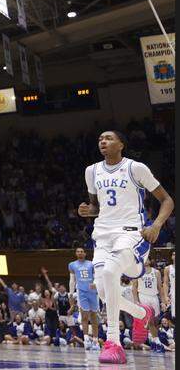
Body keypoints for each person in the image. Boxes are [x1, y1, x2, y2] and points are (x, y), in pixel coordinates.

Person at [78, 130, 174, 364]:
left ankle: (113, 342)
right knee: (103, 291)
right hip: (102, 235)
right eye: (100, 138)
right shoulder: (92, 171)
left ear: (121, 144)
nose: (103, 141)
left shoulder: (135, 168)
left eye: (109, 138)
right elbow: (97, 207)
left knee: (110, 272)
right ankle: (142, 314)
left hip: (131, 233)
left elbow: (167, 200)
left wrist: (157, 226)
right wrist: (87, 211)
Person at [67, 246, 101, 350]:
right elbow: (72, 280)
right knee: (84, 316)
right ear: (76, 254)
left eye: (82, 251)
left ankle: (95, 341)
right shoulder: (72, 265)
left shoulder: (91, 264)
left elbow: (97, 276)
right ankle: (86, 340)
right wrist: (71, 293)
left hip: (93, 292)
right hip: (81, 292)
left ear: (85, 253)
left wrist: (95, 284)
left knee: (94, 317)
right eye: (78, 251)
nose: (80, 253)